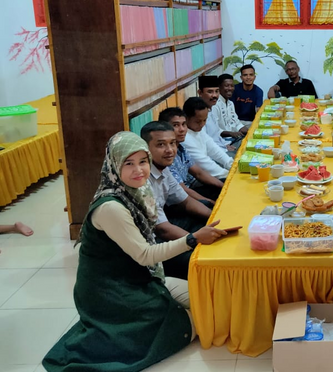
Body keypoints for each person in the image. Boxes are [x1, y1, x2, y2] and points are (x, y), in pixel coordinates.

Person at [42, 132, 226, 371]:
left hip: (139, 277)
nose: (139, 170)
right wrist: (192, 239)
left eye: (143, 161)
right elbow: (144, 255)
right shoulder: (111, 207)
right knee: (202, 323)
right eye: (128, 163)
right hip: (112, 290)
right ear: (114, 165)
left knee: (212, 301)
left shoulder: (135, 191)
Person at [141, 121, 217, 279]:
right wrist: (196, 241)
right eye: (161, 145)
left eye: (172, 143)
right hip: (151, 245)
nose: (170, 150)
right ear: (145, 149)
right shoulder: (142, 179)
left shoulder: (163, 169)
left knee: (206, 219)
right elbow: (162, 229)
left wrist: (216, 219)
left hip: (163, 228)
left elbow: (186, 202)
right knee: (206, 262)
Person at [158, 107, 225, 205]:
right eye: (176, 125)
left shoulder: (181, 148)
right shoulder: (166, 155)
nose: (182, 129)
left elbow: (199, 173)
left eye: (184, 124)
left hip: (192, 188)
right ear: (164, 128)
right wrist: (209, 202)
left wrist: (225, 186)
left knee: (224, 185)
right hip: (180, 201)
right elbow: (182, 190)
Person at [182, 97, 234, 181]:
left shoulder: (198, 129)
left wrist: (232, 165)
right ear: (186, 118)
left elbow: (213, 148)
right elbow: (205, 164)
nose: (202, 124)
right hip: (195, 180)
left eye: (205, 120)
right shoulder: (184, 138)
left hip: (207, 175)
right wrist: (229, 175)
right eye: (198, 121)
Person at [197, 75, 236, 154]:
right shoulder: (198, 114)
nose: (214, 95)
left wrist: (226, 144)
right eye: (210, 92)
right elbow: (206, 143)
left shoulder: (211, 109)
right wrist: (224, 150)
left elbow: (216, 134)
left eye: (217, 91)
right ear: (200, 93)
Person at [213, 73, 249, 145]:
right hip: (223, 141)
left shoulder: (230, 103)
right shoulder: (215, 105)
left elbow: (237, 123)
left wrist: (250, 132)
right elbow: (214, 130)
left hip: (235, 138)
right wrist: (231, 133)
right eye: (226, 86)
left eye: (232, 86)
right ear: (219, 87)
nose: (230, 88)